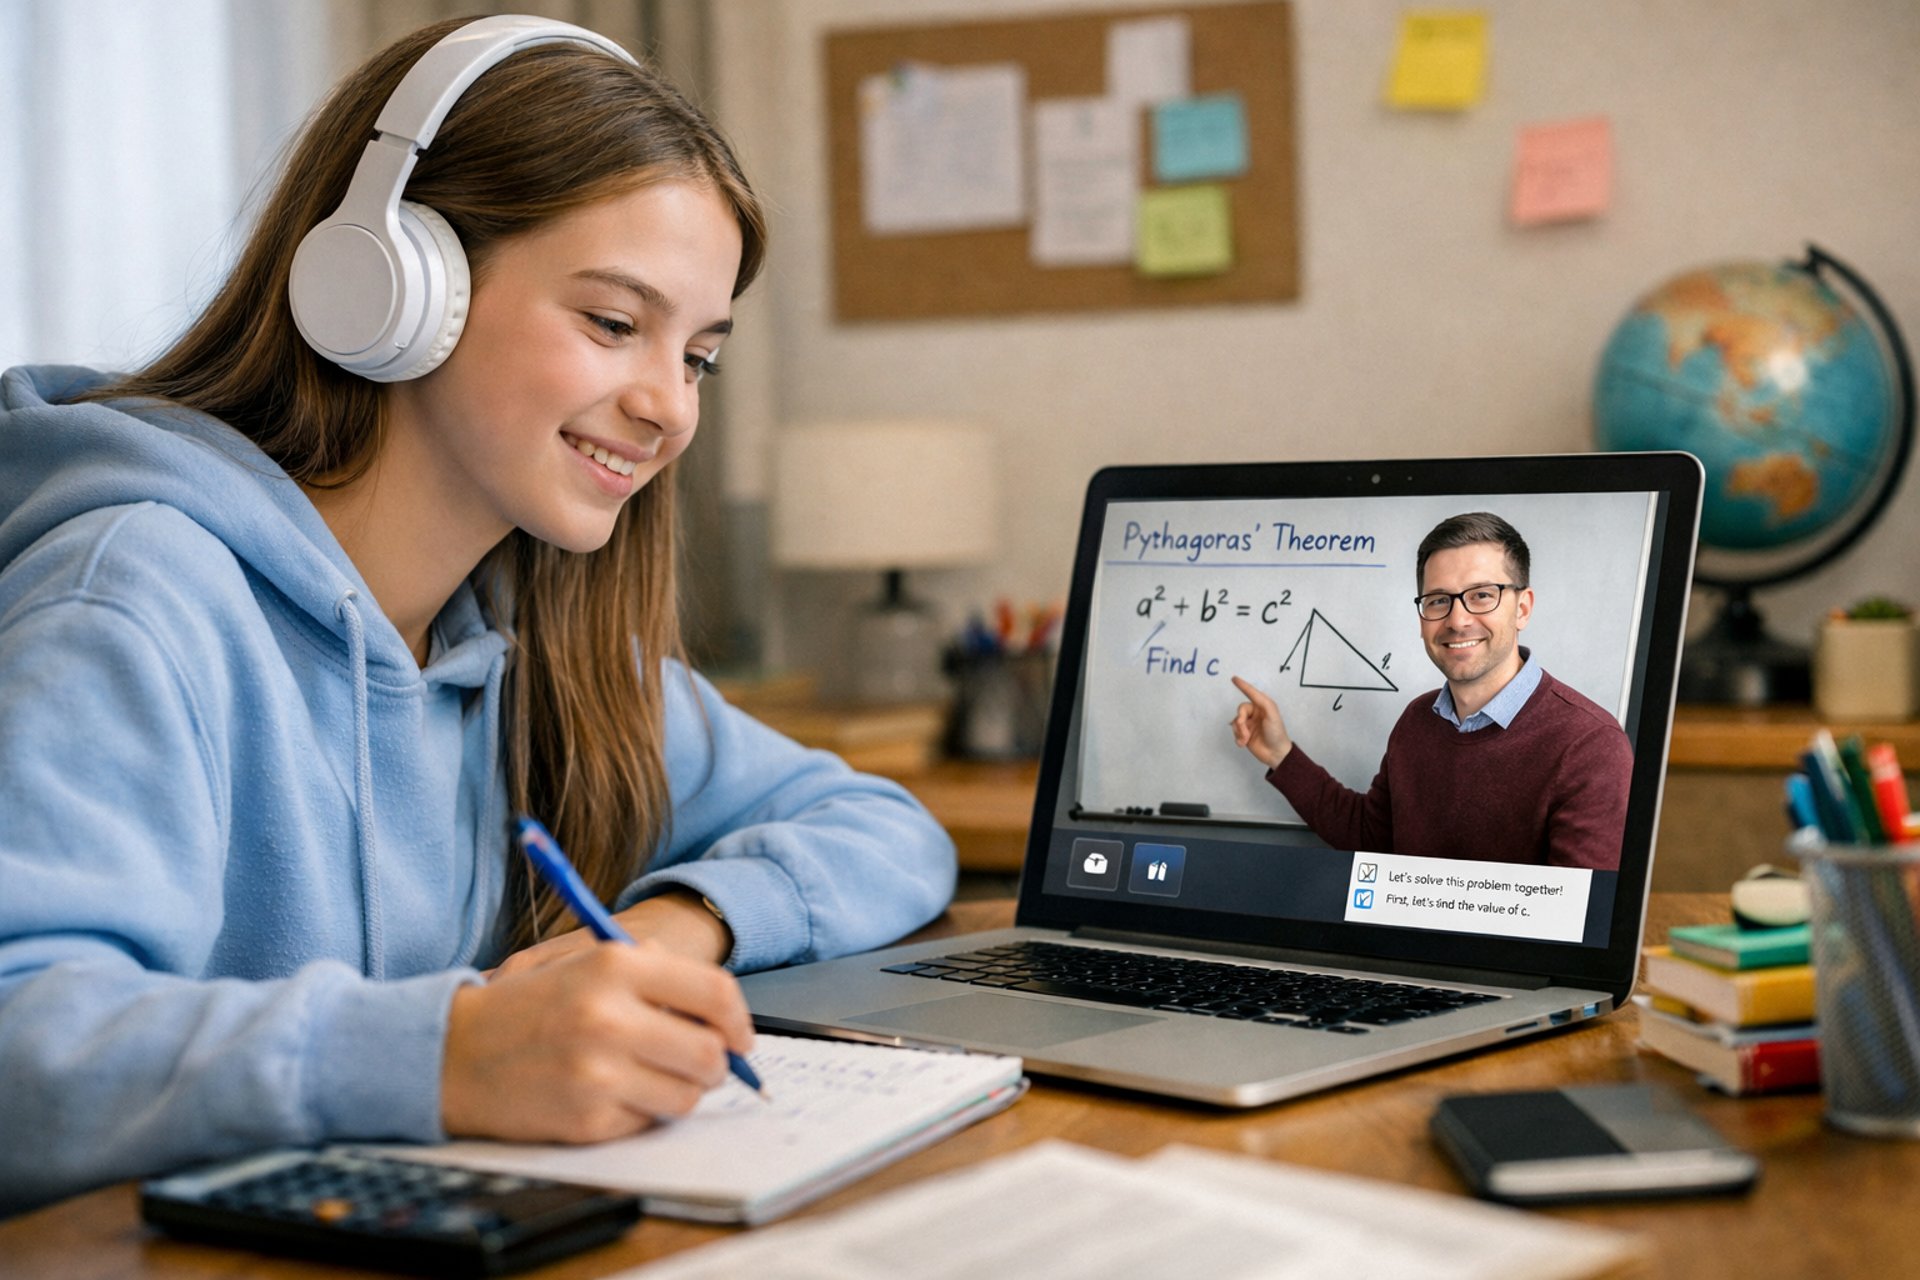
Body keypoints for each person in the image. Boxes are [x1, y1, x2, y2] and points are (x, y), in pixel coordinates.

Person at [0, 16, 955, 1216]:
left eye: (699, 356)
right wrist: (446, 1051)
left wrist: (686, 920)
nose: (669, 408)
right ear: (395, 287)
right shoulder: (135, 598)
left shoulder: (515, 637)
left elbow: (880, 825)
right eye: (614, 323)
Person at [1229, 512, 1631, 870]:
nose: (1457, 620)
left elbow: (1581, 921)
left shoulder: (1590, 745)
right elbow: (1371, 838)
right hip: (1404, 952)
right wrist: (1281, 754)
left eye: (1481, 596)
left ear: (1522, 608)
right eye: (1438, 600)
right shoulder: (1417, 723)